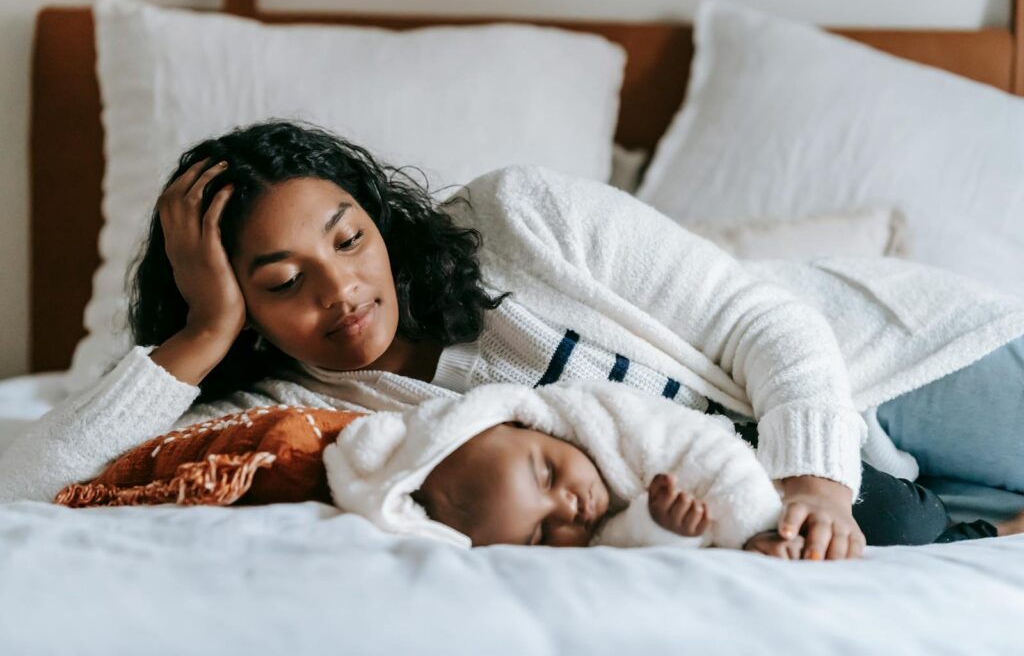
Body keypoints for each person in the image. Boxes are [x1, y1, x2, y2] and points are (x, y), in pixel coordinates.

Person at [2, 120, 1023, 562]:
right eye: (280, 282)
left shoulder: (518, 216)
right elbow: (26, 484)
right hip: (858, 504)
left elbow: (763, 319)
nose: (343, 290)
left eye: (348, 239)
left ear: (376, 218)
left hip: (883, 365)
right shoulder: (288, 412)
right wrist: (201, 330)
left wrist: (816, 481)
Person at [321, 380, 1024, 556]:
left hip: (761, 460)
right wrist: (659, 524)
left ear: (526, 423)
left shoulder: (606, 417)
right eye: (542, 534)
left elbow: (713, 455)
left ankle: (992, 524)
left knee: (897, 518)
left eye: (546, 474)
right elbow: (615, 545)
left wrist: (754, 527)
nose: (571, 507)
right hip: (742, 521)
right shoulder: (578, 525)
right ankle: (985, 536)